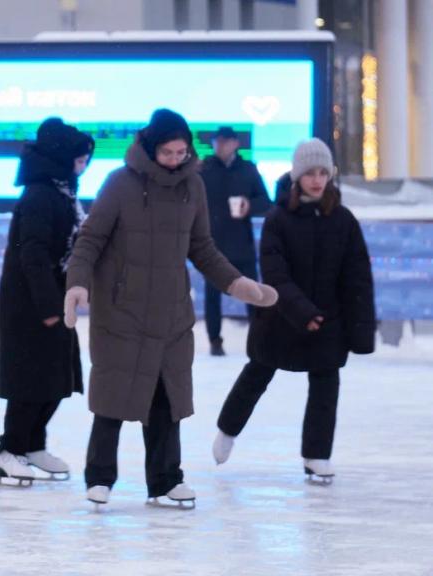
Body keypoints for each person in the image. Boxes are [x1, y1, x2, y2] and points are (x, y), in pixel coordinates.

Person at [63, 108, 278, 509]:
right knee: (114, 395)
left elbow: (201, 247)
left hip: (171, 311)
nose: (176, 159)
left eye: (182, 152)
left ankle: (165, 480)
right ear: (149, 147)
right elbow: (89, 239)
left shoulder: (192, 187)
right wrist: (76, 283)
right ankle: (100, 477)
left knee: (166, 400)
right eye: (168, 152)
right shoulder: (120, 184)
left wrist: (237, 283)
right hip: (121, 309)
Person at [212, 138, 375, 481]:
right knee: (257, 374)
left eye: (322, 173)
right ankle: (227, 430)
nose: (316, 180)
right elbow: (275, 274)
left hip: (328, 320)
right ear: (296, 176)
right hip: (281, 317)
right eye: (309, 173)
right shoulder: (278, 219)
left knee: (326, 385)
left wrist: (357, 330)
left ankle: (317, 455)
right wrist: (302, 312)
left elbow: (357, 277)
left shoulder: (344, 220)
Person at [0, 118, 94, 484]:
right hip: (32, 307)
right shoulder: (39, 196)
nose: (83, 166)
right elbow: (32, 255)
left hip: (54, 301)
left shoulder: (60, 191)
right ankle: (9, 450)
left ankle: (34, 444)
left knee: (55, 378)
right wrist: (49, 308)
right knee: (30, 382)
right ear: (63, 158)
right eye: (80, 159)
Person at [200, 126, 273, 355]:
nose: (220, 146)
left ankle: (259, 338)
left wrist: (249, 206)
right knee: (213, 296)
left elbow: (265, 201)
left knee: (252, 292)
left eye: (225, 142)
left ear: (235, 144)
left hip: (242, 243)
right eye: (217, 142)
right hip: (213, 244)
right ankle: (215, 340)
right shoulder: (204, 170)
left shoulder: (248, 170)